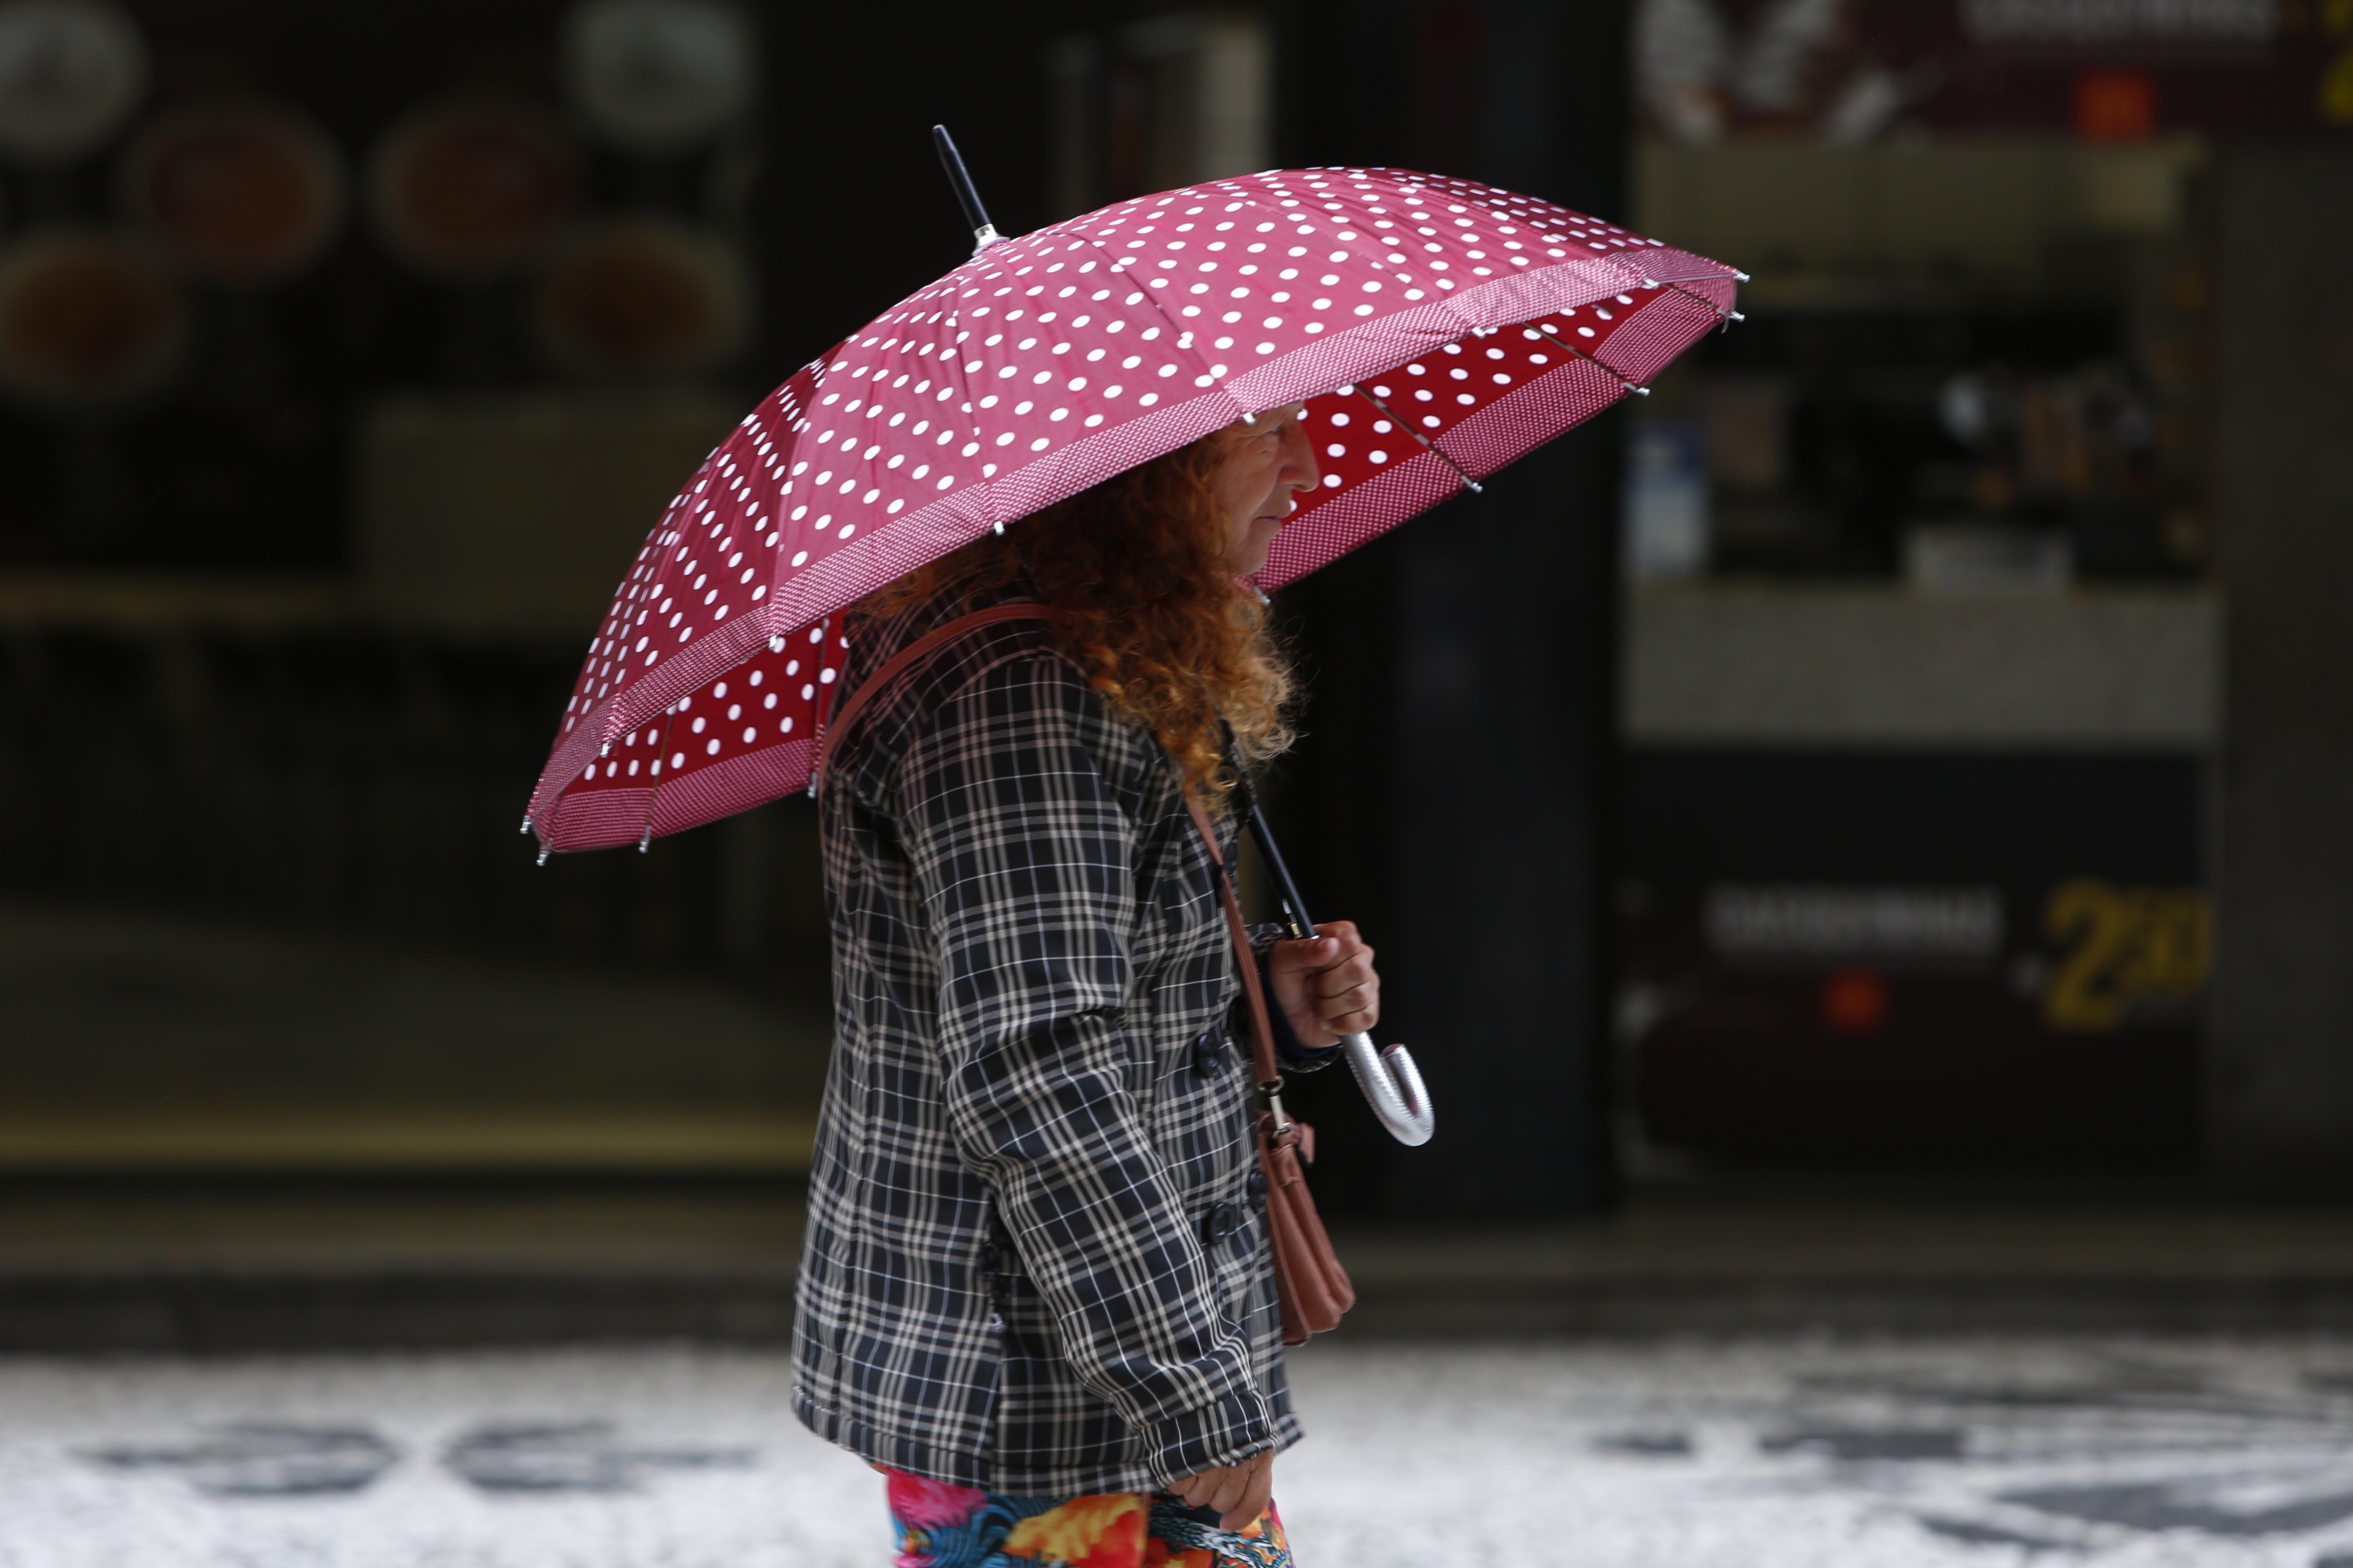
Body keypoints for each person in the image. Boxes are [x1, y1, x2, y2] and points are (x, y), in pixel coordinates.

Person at [795, 402, 1383, 1567]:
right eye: (1262, 433)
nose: (1308, 463)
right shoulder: (1023, 698)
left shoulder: (1082, 654)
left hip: (1096, 1372)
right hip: (1059, 1405)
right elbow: (1038, 1071)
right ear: (1147, 472)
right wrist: (1192, 1391)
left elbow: (1077, 989)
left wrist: (1263, 998)